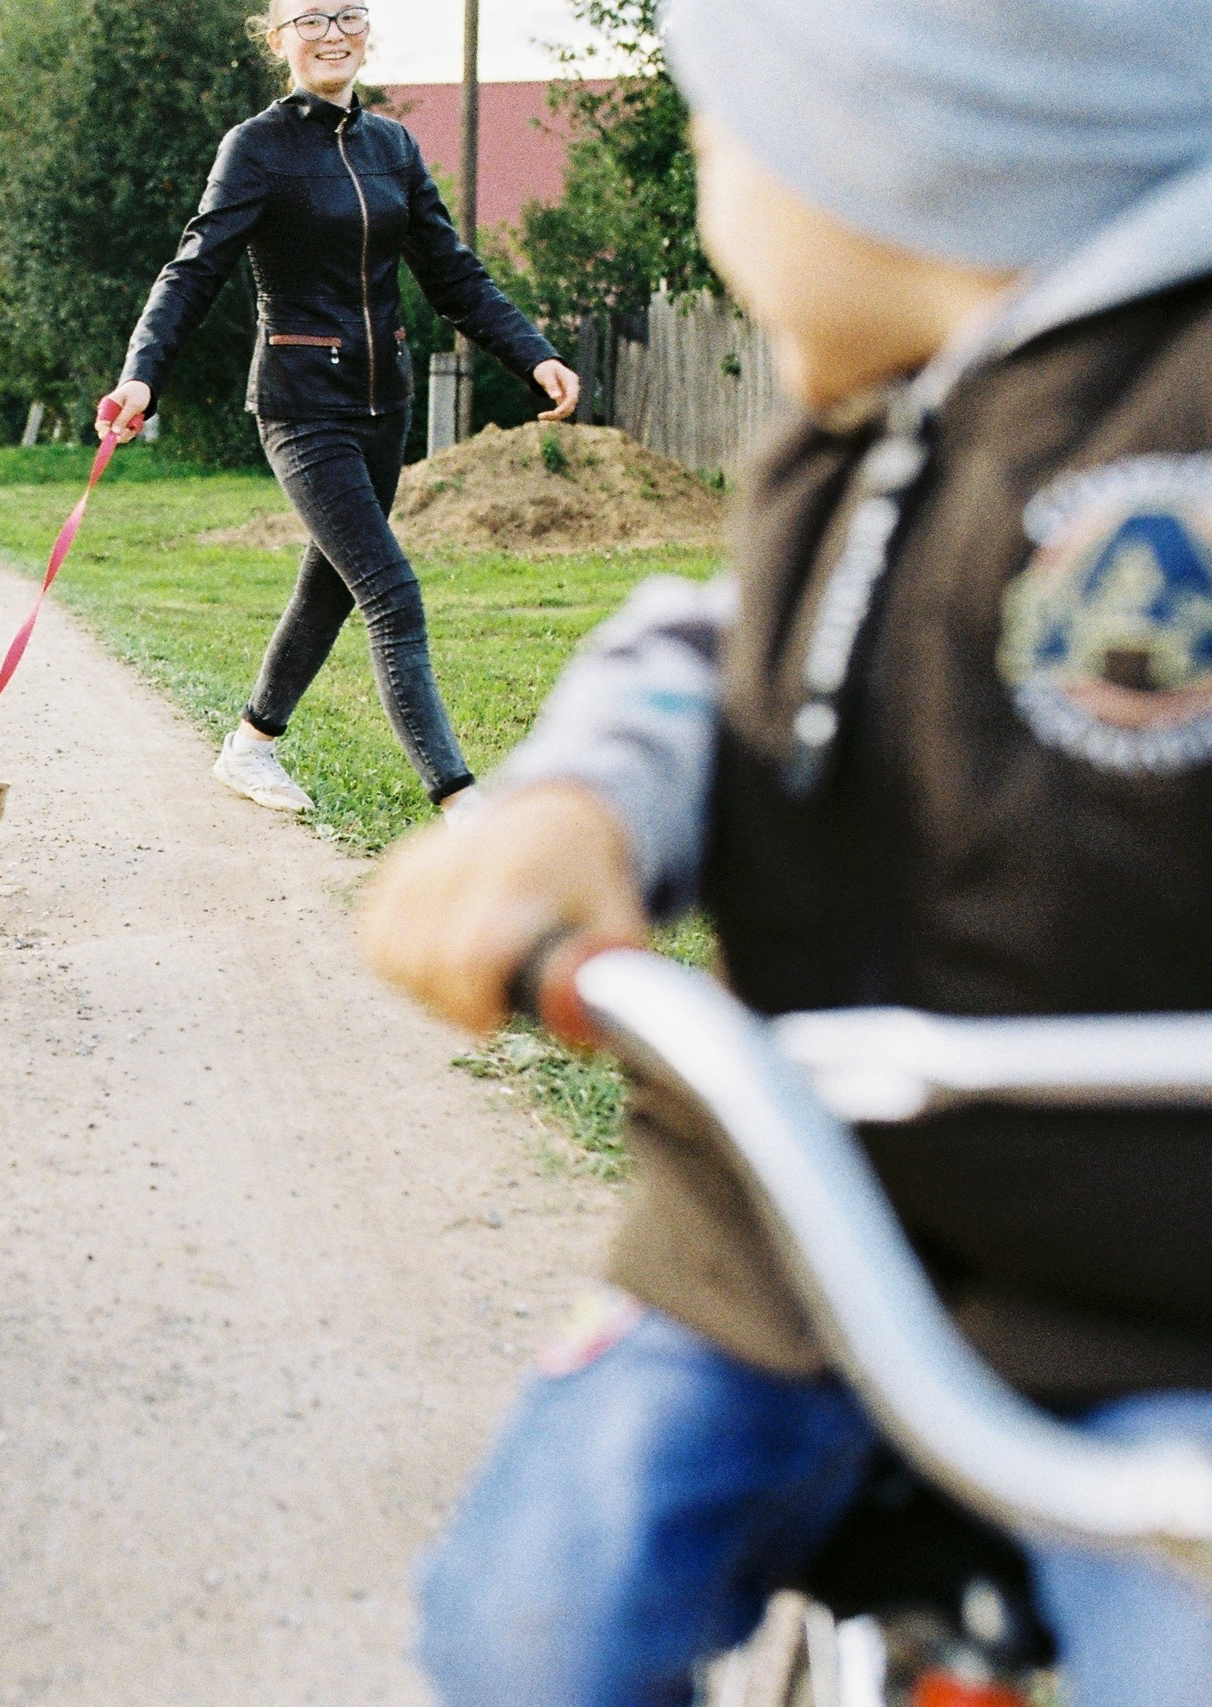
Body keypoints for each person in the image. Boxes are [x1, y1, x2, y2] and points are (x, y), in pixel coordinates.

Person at [359, 0, 1212, 1701]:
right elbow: (718, 653)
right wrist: (575, 805)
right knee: (533, 1626)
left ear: (908, 153)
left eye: (722, 135)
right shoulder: (859, 439)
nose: (709, 192)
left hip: (1145, 1284)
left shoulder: (1170, 434)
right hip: (783, 1241)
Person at [102, 2, 579, 817]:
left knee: (330, 585)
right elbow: (194, 270)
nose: (332, 32)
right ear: (278, 38)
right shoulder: (256, 147)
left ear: (367, 29)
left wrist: (534, 354)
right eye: (310, 17)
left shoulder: (394, 146)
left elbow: (453, 273)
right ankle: (459, 802)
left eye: (348, 13)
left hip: (384, 403)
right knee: (391, 592)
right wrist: (142, 376)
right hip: (301, 407)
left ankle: (251, 745)